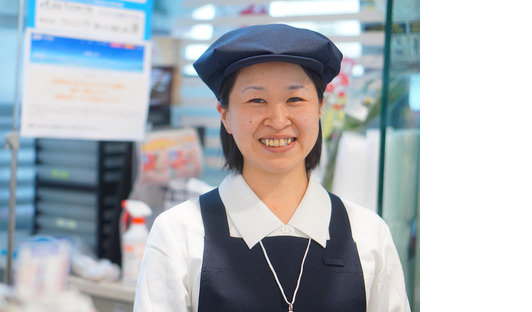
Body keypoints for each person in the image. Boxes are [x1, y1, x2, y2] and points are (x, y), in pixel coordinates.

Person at [133, 23, 411, 312]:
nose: (278, 120)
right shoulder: (178, 233)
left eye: (295, 99)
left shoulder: (369, 234)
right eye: (257, 100)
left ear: (319, 108)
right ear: (225, 115)